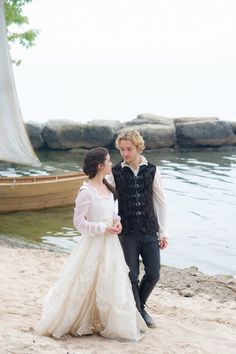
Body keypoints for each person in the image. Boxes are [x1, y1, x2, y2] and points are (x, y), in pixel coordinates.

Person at [36, 147, 146, 341]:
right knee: (85, 280)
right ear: (100, 166)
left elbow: (111, 211)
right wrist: (103, 228)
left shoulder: (107, 186)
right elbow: (78, 223)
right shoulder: (86, 192)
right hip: (93, 244)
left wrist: (117, 221)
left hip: (111, 244)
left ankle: (107, 321)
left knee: (110, 280)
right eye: (109, 161)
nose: (112, 163)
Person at [106, 130, 169, 328]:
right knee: (131, 275)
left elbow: (161, 202)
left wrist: (164, 231)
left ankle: (139, 305)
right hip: (127, 233)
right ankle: (139, 313)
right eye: (122, 149)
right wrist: (112, 220)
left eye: (129, 149)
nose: (125, 153)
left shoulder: (152, 170)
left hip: (150, 230)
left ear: (138, 148)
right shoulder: (115, 172)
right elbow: (106, 200)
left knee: (154, 274)